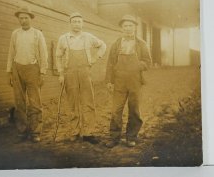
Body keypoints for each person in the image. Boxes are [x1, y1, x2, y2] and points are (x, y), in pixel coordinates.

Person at [56, 12, 106, 144]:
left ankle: (88, 133)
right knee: (73, 103)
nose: (77, 24)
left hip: (85, 72)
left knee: (88, 102)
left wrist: (96, 58)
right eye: (74, 21)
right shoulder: (64, 38)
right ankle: (75, 132)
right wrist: (61, 74)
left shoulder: (88, 37)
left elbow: (103, 45)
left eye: (79, 21)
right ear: (70, 23)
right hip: (69, 73)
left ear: (82, 23)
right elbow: (58, 56)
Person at [105, 15, 151, 147]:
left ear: (135, 28)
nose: (128, 28)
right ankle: (114, 138)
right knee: (115, 110)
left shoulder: (141, 44)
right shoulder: (116, 44)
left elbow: (148, 62)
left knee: (134, 110)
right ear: (121, 28)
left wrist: (137, 65)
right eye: (125, 26)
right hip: (119, 81)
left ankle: (131, 137)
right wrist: (109, 81)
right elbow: (110, 63)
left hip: (135, 81)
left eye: (130, 26)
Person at [6, 6, 48, 143]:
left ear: (30, 19)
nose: (23, 20)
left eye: (26, 18)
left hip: (33, 69)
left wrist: (42, 71)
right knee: (19, 102)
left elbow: (44, 54)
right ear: (18, 19)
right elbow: (11, 53)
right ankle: (22, 130)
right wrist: (9, 72)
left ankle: (35, 131)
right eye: (21, 18)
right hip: (17, 68)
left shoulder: (37, 34)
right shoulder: (15, 34)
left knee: (35, 102)